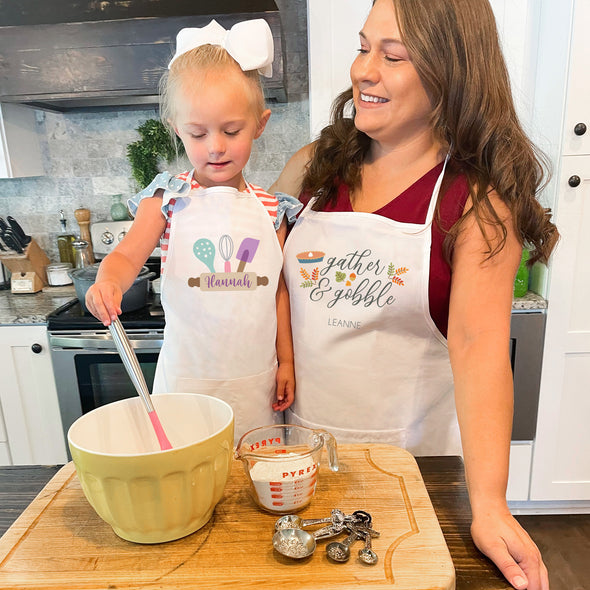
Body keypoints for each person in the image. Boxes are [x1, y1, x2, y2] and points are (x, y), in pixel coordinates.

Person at [270, 1, 556, 588]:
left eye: (392, 55)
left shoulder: (472, 204)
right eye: (363, 46)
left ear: (451, 73)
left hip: (410, 479)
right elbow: (252, 277)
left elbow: (479, 353)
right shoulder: (313, 170)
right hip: (297, 461)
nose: (363, 71)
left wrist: (491, 504)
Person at [86, 19, 300, 439]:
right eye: (198, 134)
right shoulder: (166, 200)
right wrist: (108, 280)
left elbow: (278, 290)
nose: (216, 146)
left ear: (260, 124)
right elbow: (127, 255)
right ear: (176, 129)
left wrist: (287, 362)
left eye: (231, 130)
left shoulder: (272, 210)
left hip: (256, 384)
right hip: (186, 383)